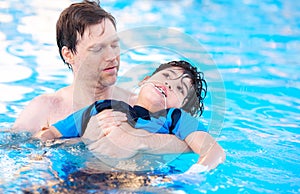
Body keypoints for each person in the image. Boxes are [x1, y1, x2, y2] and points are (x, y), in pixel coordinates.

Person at [12, 0, 190, 154]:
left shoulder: (142, 104)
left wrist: (140, 141)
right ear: (68, 55)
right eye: (97, 49)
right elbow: (13, 150)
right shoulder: (46, 109)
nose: (111, 56)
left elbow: (198, 143)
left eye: (114, 45)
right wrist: (82, 139)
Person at [35, 60, 226, 172]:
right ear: (145, 80)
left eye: (179, 89)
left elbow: (213, 151)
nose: (169, 85)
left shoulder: (175, 118)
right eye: (166, 77)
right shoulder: (102, 107)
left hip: (142, 180)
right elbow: (49, 134)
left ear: (182, 106)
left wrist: (192, 176)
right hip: (86, 172)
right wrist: (38, 157)